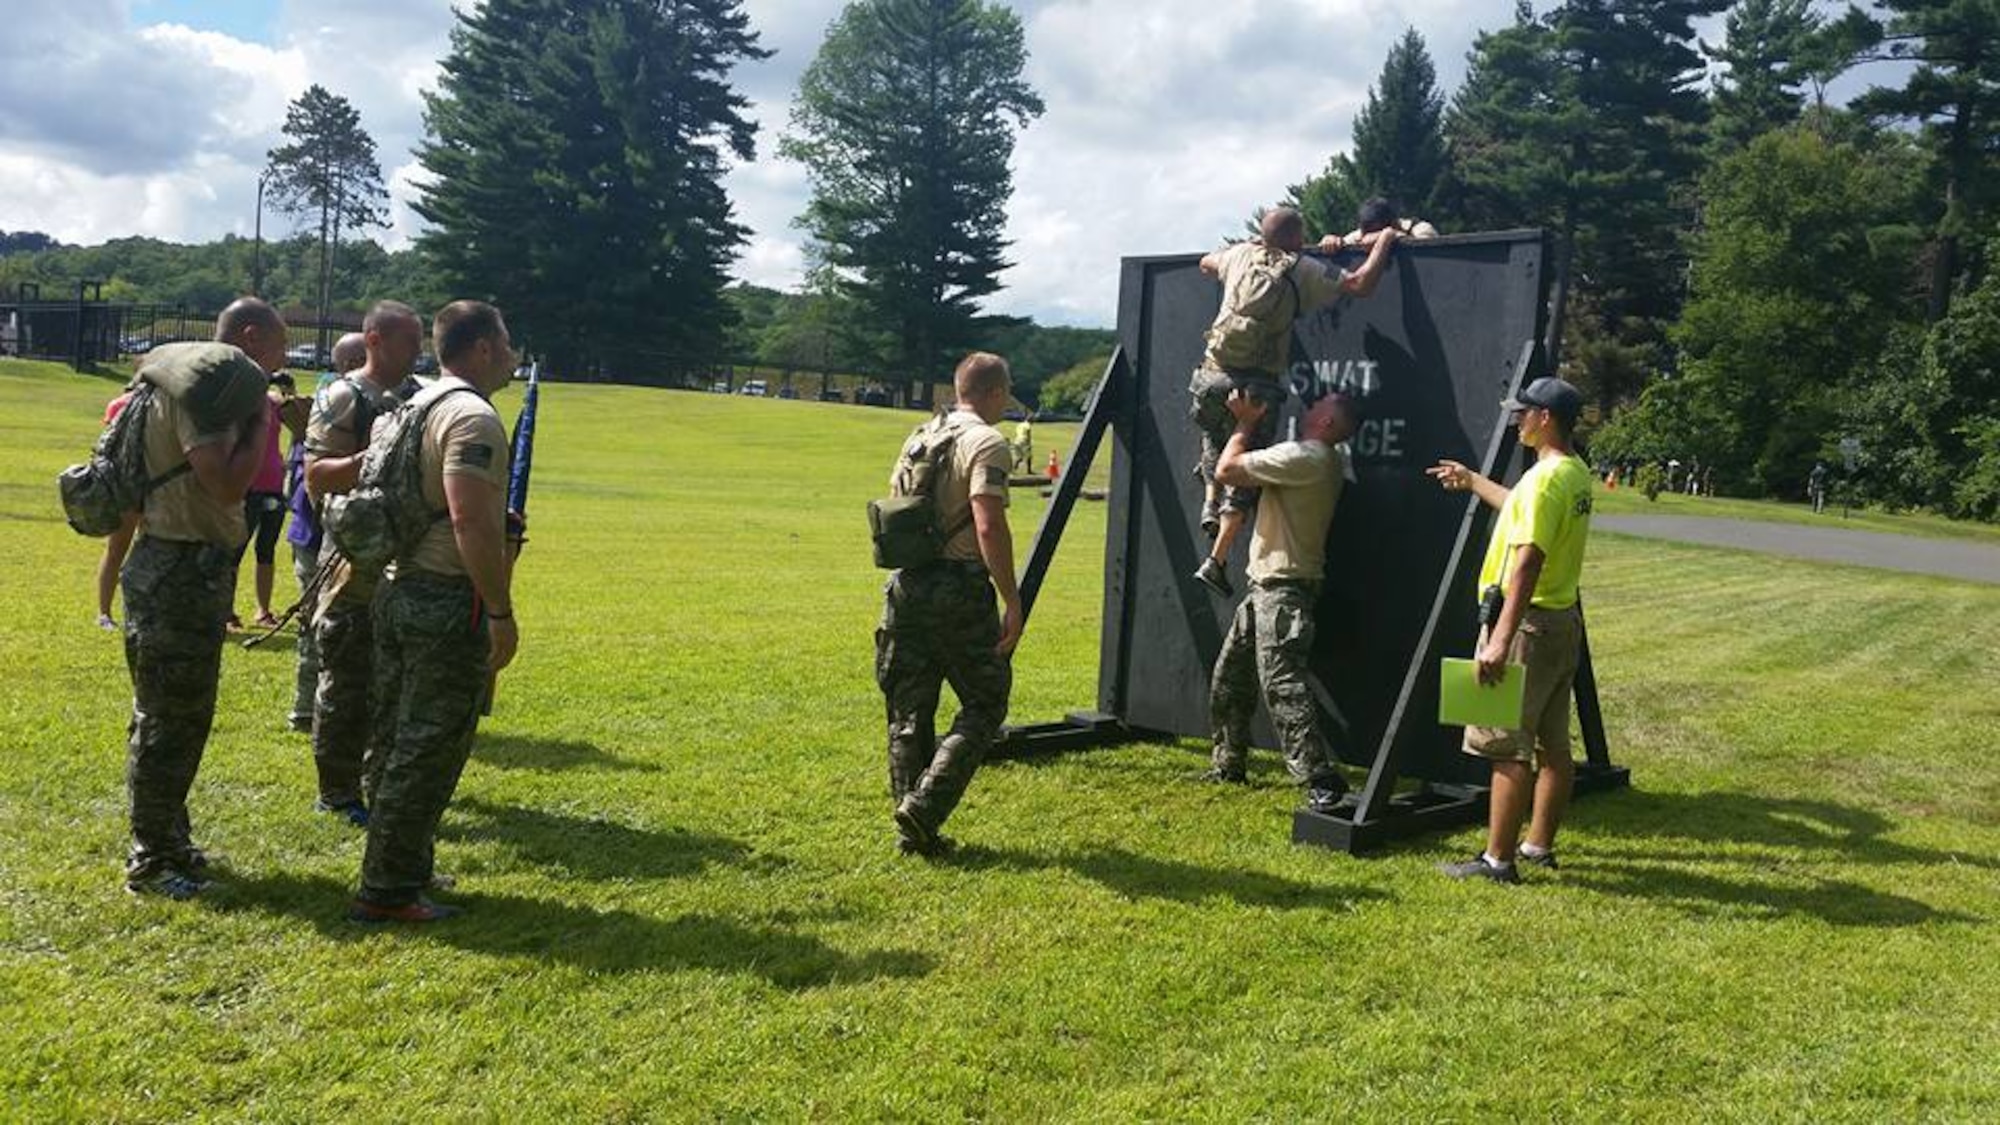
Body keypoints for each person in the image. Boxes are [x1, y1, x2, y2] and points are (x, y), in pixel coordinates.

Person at [350, 300, 520, 922]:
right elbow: (468, 517)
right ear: (481, 349)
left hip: (395, 587)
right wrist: (498, 610)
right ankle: (388, 890)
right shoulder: (471, 417)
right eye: (505, 343)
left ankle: (400, 865)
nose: (511, 355)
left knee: (394, 737)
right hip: (445, 597)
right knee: (428, 748)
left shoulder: (411, 404)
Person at [121, 298, 285, 899]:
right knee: (172, 721)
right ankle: (154, 861)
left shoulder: (182, 379)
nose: (282, 361)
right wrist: (263, 421)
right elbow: (223, 484)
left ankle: (169, 839)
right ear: (248, 337)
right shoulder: (210, 391)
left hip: (168, 563)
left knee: (166, 715)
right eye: (278, 347)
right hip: (181, 568)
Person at [1425, 376, 1595, 884]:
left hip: (1526, 624)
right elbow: (1524, 509)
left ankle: (1497, 862)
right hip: (1560, 623)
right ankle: (1538, 846)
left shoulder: (1544, 480)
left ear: (1545, 418)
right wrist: (1474, 480)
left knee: (1503, 744)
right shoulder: (1572, 472)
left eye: (1524, 413)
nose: (1517, 420)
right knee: (1553, 745)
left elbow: (1528, 560)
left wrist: (1500, 636)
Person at [1191, 207, 1397, 598]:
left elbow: (1205, 263)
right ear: (1298, 239)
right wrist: (1385, 241)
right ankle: (1216, 561)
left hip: (1211, 375)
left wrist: (1240, 249)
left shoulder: (1239, 255)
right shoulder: (1302, 268)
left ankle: (1208, 501)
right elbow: (1359, 284)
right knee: (1244, 468)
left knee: (1213, 434)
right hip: (1257, 384)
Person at [876, 352, 1022, 858]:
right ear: (995, 393)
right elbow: (988, 524)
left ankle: (912, 829)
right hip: (958, 588)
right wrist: (1012, 598)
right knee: (986, 700)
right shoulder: (987, 441)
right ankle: (924, 808)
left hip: (906, 586)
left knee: (909, 709)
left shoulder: (920, 436)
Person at [1199, 391, 1358, 812]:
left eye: (1320, 405)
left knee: (1283, 684)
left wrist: (1245, 423)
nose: (1309, 407)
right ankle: (1228, 762)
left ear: (1327, 424)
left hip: (1282, 588)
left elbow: (1228, 469)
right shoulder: (1317, 460)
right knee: (1230, 678)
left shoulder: (1307, 456)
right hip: (1267, 588)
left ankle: (1320, 779)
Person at [302, 307, 425, 826]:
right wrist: (371, 457)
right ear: (374, 339)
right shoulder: (342, 397)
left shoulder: (420, 396)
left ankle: (383, 785)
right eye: (407, 342)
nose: (417, 353)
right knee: (347, 681)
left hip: (407, 563)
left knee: (393, 687)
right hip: (352, 567)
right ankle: (338, 791)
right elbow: (315, 476)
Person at [282, 333, 365, 732]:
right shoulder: (332, 406)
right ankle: (306, 708)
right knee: (318, 622)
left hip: (337, 532)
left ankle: (323, 707)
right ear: (351, 362)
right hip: (315, 533)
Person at [230, 379, 289, 627]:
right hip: (247, 487)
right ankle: (226, 611)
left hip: (274, 486)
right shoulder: (239, 403)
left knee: (267, 551)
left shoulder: (274, 402)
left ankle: (263, 611)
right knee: (235, 552)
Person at [94, 389, 140, 630]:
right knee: (117, 549)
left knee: (119, 550)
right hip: (131, 486)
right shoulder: (124, 404)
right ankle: (104, 613)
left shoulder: (119, 403)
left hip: (134, 485)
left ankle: (107, 613)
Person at [1337, 196, 1440, 245]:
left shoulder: (1421, 229)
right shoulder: (1362, 235)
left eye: (1375, 232)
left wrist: (1389, 236)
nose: (1369, 239)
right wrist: (1333, 242)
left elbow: (1428, 254)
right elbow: (1343, 243)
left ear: (1394, 223)